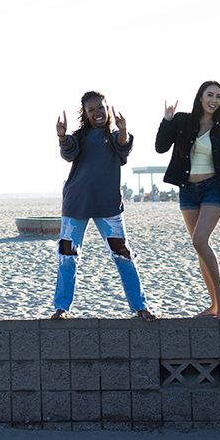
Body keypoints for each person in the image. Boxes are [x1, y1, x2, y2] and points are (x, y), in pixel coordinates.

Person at [53, 91, 156, 322]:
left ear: (107, 108)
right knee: (67, 256)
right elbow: (68, 151)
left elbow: (124, 148)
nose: (97, 113)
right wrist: (61, 136)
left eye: (100, 107)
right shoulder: (78, 137)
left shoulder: (115, 136)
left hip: (108, 205)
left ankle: (140, 306)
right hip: (76, 203)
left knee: (124, 255)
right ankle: (62, 308)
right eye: (91, 110)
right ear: (85, 113)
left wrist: (124, 129)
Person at [156, 80, 220, 319]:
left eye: (218, 96)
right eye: (210, 95)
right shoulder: (183, 121)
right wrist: (167, 120)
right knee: (200, 248)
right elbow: (160, 147)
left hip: (212, 189)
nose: (214, 100)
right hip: (188, 190)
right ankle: (215, 305)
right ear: (201, 97)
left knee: (199, 240)